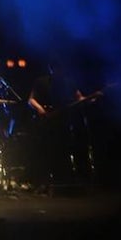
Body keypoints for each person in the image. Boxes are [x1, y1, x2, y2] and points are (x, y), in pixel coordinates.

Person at [25, 57, 104, 193]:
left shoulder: (69, 83)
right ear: (51, 69)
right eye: (55, 69)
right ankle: (45, 181)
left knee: (65, 148)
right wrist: (40, 109)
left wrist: (92, 98)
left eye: (59, 69)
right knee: (47, 151)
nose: (57, 72)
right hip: (47, 122)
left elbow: (80, 99)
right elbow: (31, 100)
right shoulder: (41, 82)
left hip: (64, 121)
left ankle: (65, 180)